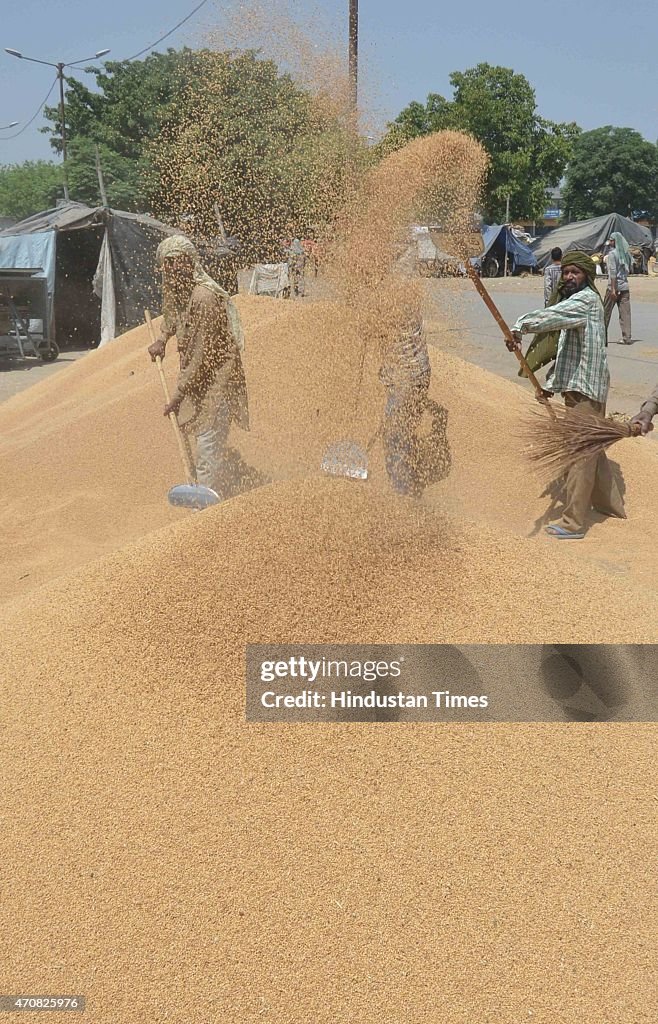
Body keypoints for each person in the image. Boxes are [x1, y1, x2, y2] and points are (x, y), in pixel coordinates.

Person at [508, 251, 624, 539]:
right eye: (567, 272)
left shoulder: (584, 301)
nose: (570, 277)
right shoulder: (579, 301)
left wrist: (520, 326)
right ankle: (611, 504)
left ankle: (573, 522)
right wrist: (552, 384)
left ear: (587, 275)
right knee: (593, 448)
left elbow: (552, 317)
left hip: (587, 391)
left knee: (581, 455)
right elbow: (569, 353)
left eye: (576, 272)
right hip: (579, 387)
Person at [147, 235, 249, 500]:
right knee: (198, 434)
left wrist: (177, 396)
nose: (171, 269)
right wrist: (162, 339)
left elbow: (200, 357)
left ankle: (206, 512)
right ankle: (212, 493)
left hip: (218, 381)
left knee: (207, 442)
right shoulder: (177, 288)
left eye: (176, 262)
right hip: (198, 381)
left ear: (189, 262)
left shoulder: (203, 298)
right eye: (166, 264)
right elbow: (172, 314)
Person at [380, 314, 432, 497]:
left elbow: (370, 326)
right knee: (402, 435)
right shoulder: (402, 292)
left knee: (395, 437)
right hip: (413, 376)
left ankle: (402, 497)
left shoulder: (394, 301)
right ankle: (409, 487)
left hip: (407, 379)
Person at [603, 233, 632, 345]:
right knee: (625, 313)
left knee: (605, 312)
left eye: (611, 240)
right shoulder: (626, 254)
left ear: (615, 241)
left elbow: (613, 273)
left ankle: (602, 336)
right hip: (625, 287)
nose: (609, 242)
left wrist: (614, 290)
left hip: (613, 287)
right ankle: (627, 337)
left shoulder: (612, 254)